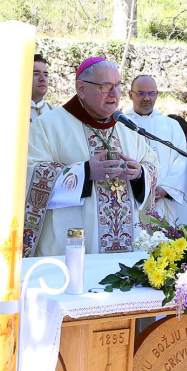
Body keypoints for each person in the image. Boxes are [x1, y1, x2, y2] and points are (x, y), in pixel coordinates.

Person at [24, 57, 159, 257]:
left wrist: (140, 173)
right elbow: (30, 173)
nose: (114, 94)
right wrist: (84, 172)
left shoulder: (126, 127)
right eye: (105, 87)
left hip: (128, 246)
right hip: (71, 250)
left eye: (117, 86)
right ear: (81, 88)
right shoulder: (48, 125)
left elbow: (152, 164)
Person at [125, 76, 187, 225]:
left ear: (157, 95)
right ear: (130, 95)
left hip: (163, 200)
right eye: (141, 93)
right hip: (130, 199)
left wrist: (166, 189)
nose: (146, 98)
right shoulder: (121, 124)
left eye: (151, 93)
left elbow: (181, 161)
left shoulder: (171, 126)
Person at [0, 53, 54, 159]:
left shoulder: (57, 114)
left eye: (45, 74)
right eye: (36, 74)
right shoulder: (4, 112)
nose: (42, 79)